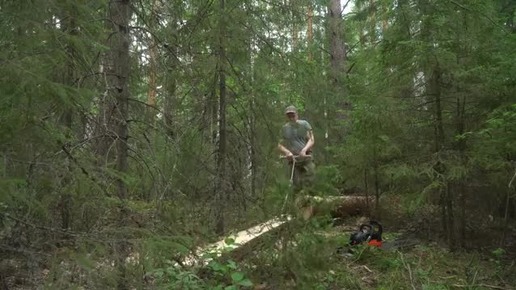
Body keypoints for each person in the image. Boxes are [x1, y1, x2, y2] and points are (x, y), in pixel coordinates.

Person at [278, 105, 316, 199]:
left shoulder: (304, 125)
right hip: (294, 160)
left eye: (293, 115)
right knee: (296, 185)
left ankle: (313, 205)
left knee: (310, 181)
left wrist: (304, 150)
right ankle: (298, 208)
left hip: (306, 158)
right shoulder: (284, 129)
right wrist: (287, 152)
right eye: (289, 115)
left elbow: (311, 140)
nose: (291, 117)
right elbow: (279, 145)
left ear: (297, 115)